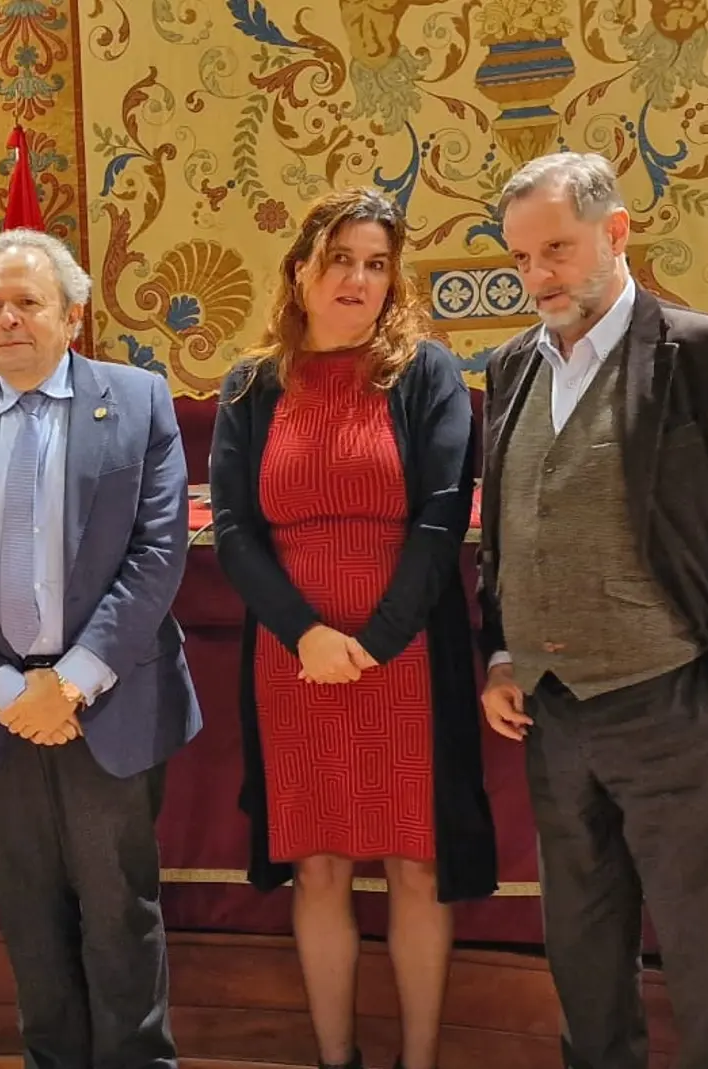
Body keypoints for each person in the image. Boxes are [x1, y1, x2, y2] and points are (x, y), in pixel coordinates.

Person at [476, 151, 708, 1069]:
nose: (537, 275)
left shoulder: (707, 354)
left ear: (616, 231)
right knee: (583, 951)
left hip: (677, 697)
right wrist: (504, 655)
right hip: (554, 712)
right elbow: (506, 532)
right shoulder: (511, 366)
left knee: (707, 951)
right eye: (520, 258)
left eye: (556, 248)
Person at [208, 188, 498, 1069]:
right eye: (340, 260)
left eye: (377, 264)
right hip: (293, 660)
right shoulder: (252, 385)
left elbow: (443, 519)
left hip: (406, 653)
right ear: (300, 272)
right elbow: (233, 529)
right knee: (319, 864)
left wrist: (374, 639)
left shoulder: (428, 374)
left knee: (416, 863)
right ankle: (338, 1059)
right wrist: (306, 634)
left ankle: (420, 1061)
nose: (358, 280)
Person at [0, 228, 199, 1069]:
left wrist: (65, 686)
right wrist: (4, 690)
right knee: (29, 918)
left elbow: (158, 553)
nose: (8, 319)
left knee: (119, 914)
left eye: (27, 302)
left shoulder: (140, 400)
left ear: (72, 316)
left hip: (108, 706)